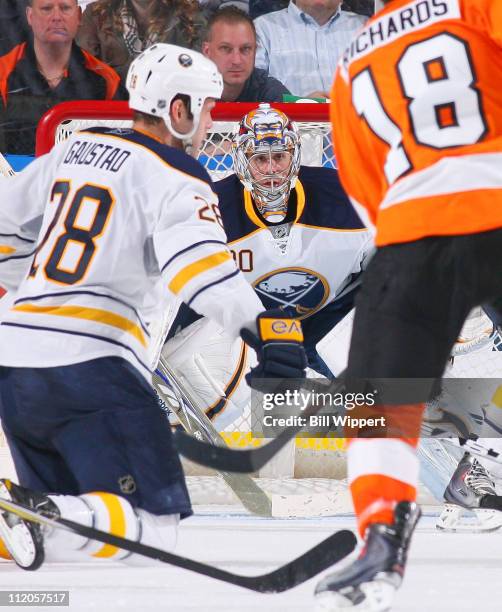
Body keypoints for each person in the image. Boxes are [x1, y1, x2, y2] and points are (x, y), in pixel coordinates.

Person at [0, 43, 306, 569]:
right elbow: (199, 269)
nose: (212, 121)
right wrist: (267, 328)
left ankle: (28, 518)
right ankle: (34, 514)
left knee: (68, 532)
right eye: (206, 108)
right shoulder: (178, 177)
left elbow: (5, 227)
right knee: (153, 528)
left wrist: (35, 290)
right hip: (90, 368)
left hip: (14, 361)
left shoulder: (74, 148)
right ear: (177, 109)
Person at [315, 1, 502, 610]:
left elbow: (365, 191)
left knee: (372, 397)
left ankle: (382, 533)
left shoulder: (351, 58)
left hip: (413, 226)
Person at [160, 103, 372, 433]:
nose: (272, 169)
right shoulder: (211, 210)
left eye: (279, 157)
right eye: (260, 159)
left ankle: (453, 455)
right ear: (243, 161)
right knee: (205, 382)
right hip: (240, 336)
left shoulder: (346, 198)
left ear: (294, 157)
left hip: (325, 326)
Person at [0, 0, 125, 156]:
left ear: (79, 16)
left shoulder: (107, 80)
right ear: (30, 16)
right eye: (46, 9)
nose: (57, 17)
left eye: (65, 8)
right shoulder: (3, 72)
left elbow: (121, 147)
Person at [254, 0, 367, 99]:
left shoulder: (367, 27)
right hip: (290, 120)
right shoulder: (262, 28)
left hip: (356, 120)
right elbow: (254, 91)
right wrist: (299, 103)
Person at [77, 0, 207, 81]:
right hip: (111, 115)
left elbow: (198, 77)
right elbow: (84, 78)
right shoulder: (95, 15)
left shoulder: (192, 18)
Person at [202, 6, 290, 103]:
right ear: (207, 51)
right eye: (226, 49)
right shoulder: (187, 89)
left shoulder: (271, 93)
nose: (237, 61)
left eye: (246, 49)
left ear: (255, 51)